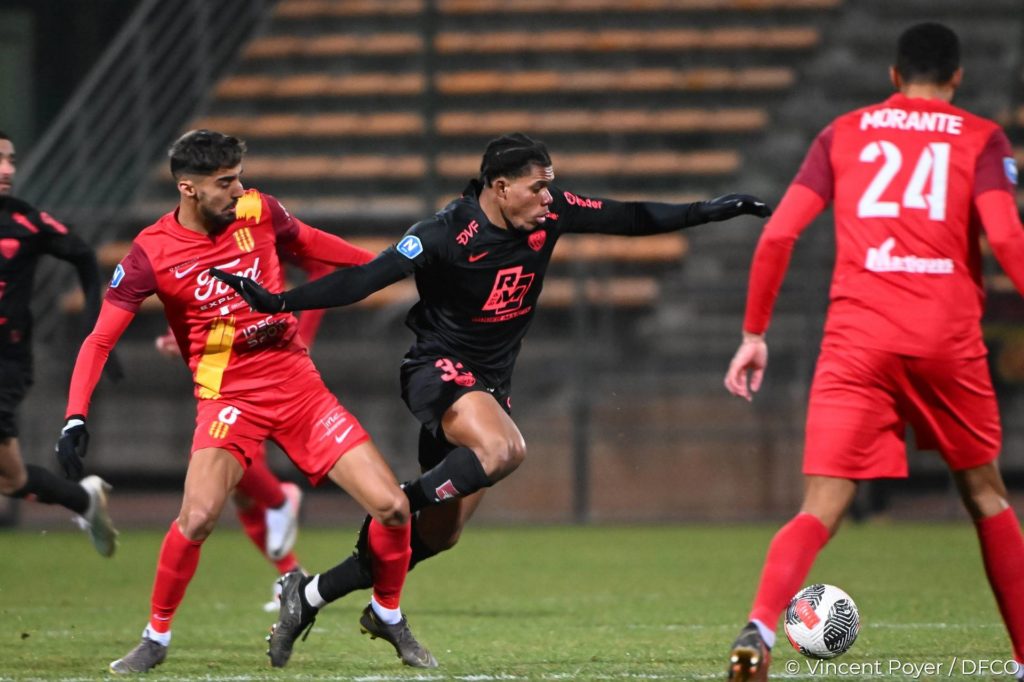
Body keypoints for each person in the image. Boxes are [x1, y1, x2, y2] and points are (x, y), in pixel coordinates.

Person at [213, 131, 771, 664]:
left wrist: (705, 211)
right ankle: (401, 501)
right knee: (504, 450)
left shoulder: (551, 213)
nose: (548, 197)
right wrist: (279, 302)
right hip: (436, 372)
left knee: (439, 536)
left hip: (489, 387)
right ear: (500, 188)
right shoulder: (442, 233)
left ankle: (309, 594)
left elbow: (627, 217)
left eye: (550, 186)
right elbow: (367, 279)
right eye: (537, 187)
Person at [57, 129, 436, 674]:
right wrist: (74, 417)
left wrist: (399, 266)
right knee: (197, 518)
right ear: (188, 188)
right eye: (225, 182)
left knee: (394, 508)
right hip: (228, 399)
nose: (239, 190)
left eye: (239, 178)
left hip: (298, 387)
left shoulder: (260, 210)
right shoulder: (151, 253)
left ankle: (387, 613)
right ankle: (155, 637)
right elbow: (98, 340)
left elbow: (318, 247)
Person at [722, 22, 1024, 681]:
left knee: (820, 507)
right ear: (957, 77)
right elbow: (1006, 237)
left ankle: (761, 625)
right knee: (986, 496)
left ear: (893, 76)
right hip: (945, 336)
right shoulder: (981, 137)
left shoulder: (843, 133)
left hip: (858, 339)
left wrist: (753, 334)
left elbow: (777, 236)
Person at [154, 254, 339, 611]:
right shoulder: (193, 242)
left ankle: (280, 500)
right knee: (238, 487)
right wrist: (178, 338)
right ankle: (292, 576)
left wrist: (305, 333)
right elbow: (207, 300)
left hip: (272, 355)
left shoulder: (259, 229)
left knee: (226, 462)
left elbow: (323, 265)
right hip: (226, 355)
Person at [0, 130, 117, 557]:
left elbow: (83, 255)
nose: (7, 170)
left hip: (6, 362)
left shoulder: (26, 222)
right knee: (11, 479)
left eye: (11, 160)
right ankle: (84, 500)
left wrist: (95, 326)